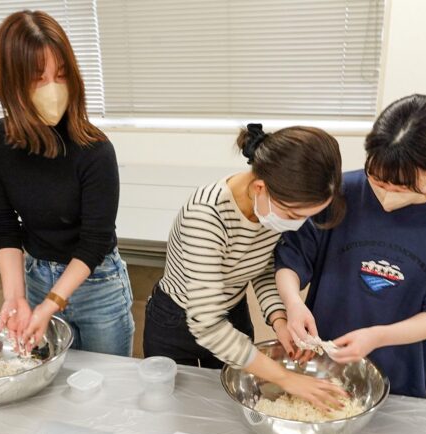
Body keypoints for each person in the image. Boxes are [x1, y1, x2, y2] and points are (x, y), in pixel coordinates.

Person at [275, 94, 426, 399]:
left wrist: (378, 337)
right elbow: (293, 255)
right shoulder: (344, 190)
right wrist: (292, 302)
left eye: (405, 186)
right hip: (325, 366)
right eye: (379, 181)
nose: (388, 193)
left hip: (403, 372)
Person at [143, 124, 349, 410]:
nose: (297, 224)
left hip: (233, 310)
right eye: (292, 214)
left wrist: (280, 318)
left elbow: (261, 267)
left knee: (229, 408)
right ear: (259, 187)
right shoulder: (206, 216)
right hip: (178, 320)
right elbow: (208, 326)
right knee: (179, 410)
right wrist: (287, 379)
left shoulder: (268, 208)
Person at [0, 10, 134, 356]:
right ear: (11, 83)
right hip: (35, 274)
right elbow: (3, 225)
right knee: (52, 383)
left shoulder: (94, 149)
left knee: (111, 387)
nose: (53, 89)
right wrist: (16, 297)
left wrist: (50, 305)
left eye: (60, 75)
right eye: (38, 78)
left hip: (97, 283)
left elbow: (94, 241)